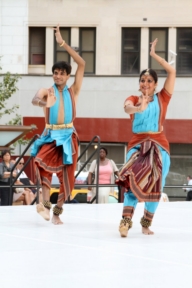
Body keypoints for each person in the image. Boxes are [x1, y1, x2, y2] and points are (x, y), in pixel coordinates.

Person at [116, 38, 176, 237]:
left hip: (159, 145)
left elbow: (173, 72)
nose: (146, 83)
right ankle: (125, 221)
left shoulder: (163, 97)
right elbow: (126, 108)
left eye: (150, 80)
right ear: (139, 83)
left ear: (155, 84)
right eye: (143, 80)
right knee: (133, 179)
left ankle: (146, 223)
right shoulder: (134, 98)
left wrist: (154, 56)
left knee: (157, 183)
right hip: (137, 145)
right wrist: (138, 107)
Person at [31, 24, 85, 224]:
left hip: (68, 136)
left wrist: (62, 43)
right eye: (55, 72)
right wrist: (46, 102)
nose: (58, 76)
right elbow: (35, 100)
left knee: (67, 178)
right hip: (49, 135)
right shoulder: (47, 90)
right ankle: (44, 204)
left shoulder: (74, 90)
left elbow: (82, 63)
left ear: (67, 76)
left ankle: (56, 213)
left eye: (62, 73)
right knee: (41, 164)